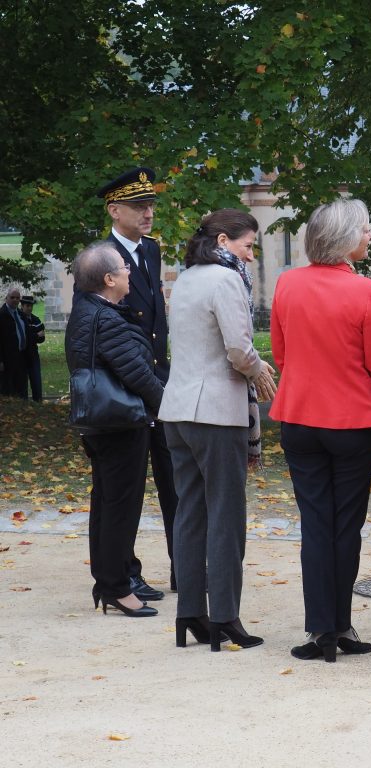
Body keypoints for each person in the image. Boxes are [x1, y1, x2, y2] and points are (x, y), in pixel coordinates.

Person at [270, 199, 371, 663]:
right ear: (344, 238)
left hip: (300, 417)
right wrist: (369, 392)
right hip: (353, 420)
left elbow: (281, 353)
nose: (370, 235)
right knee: (347, 527)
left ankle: (322, 627)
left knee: (316, 525)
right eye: (364, 229)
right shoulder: (365, 290)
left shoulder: (286, 284)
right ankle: (339, 625)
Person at [158, 208, 277, 651]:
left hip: (178, 409)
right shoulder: (226, 280)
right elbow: (238, 349)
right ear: (224, 241)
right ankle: (225, 616)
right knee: (225, 516)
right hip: (215, 411)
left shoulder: (187, 277)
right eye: (247, 246)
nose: (250, 257)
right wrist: (258, 365)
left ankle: (190, 611)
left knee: (190, 513)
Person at [65, 242, 164, 617]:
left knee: (107, 502)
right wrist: (168, 405)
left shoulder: (89, 310)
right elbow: (137, 374)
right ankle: (117, 587)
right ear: (109, 279)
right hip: (119, 423)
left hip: (101, 423)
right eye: (124, 268)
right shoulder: (105, 318)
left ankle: (110, 580)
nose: (129, 272)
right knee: (120, 506)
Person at [97, 167, 176, 602]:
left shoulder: (150, 250)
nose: (148, 213)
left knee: (174, 477)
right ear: (115, 210)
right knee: (121, 489)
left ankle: (184, 564)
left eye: (150, 205)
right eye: (138, 206)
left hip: (158, 380)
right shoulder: (102, 257)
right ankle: (123, 573)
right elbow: (102, 327)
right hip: (126, 386)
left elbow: (157, 321)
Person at [0, 286, 28, 398]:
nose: (15, 300)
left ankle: (23, 410)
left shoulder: (21, 315)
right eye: (12, 297)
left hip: (22, 357)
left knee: (21, 388)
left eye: (17, 298)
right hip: (7, 359)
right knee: (8, 390)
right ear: (6, 298)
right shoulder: (1, 315)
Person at [18, 296, 45, 402]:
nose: (29, 308)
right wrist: (35, 335)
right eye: (27, 306)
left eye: (31, 306)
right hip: (21, 356)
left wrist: (33, 336)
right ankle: (23, 403)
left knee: (36, 381)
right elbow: (24, 337)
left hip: (33, 355)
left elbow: (42, 338)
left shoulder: (35, 319)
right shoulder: (18, 318)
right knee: (22, 383)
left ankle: (38, 402)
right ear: (22, 306)